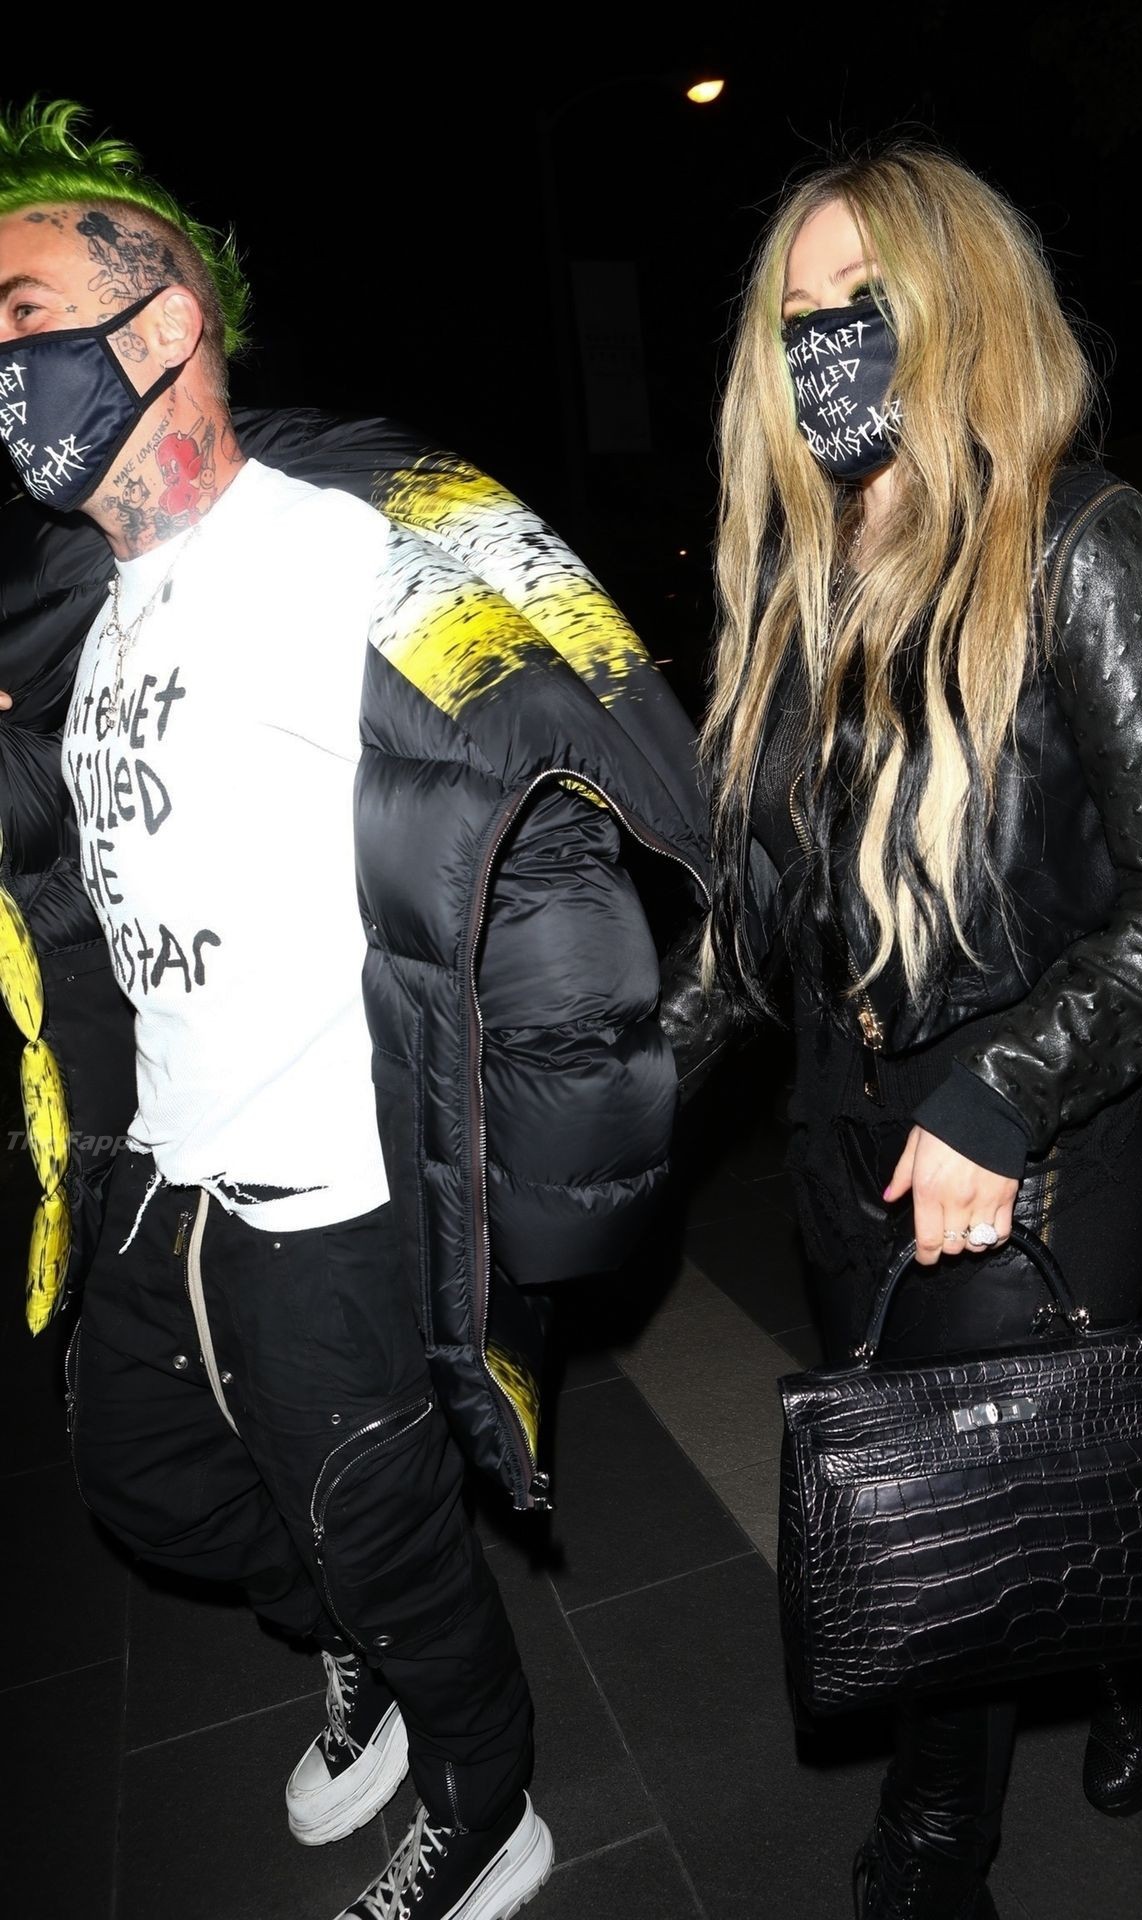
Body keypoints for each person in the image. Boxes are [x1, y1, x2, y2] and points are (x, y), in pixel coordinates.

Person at [0, 99, 708, 1920]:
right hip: (167, 1174)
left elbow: (534, 807)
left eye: (21, 315)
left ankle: (488, 1804)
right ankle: (360, 1649)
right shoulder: (93, 607)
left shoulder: (328, 555)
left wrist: (559, 1154)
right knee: (143, 1477)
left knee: (384, 1534)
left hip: (330, 1198)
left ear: (162, 328)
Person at [660, 140, 1142, 1918]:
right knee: (1002, 1466)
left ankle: (934, 1851)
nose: (827, 342)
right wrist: (607, 1097)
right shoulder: (796, 588)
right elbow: (751, 931)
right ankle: (1121, 1653)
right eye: (797, 315)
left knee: (949, 1525)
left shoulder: (1083, 543)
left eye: (868, 300)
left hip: (1036, 1115)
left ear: (961, 305)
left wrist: (1006, 1092)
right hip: (841, 1120)